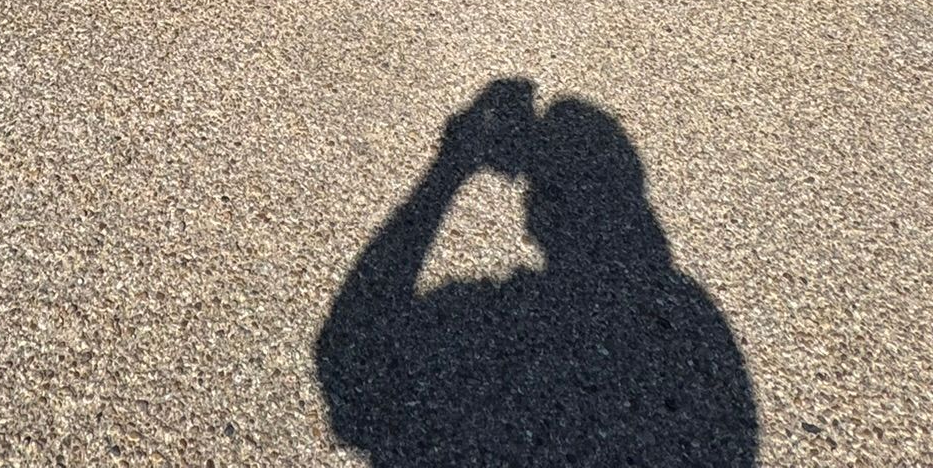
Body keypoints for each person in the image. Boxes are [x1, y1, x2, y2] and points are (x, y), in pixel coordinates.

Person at [317, 79, 757, 467]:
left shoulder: (512, 322)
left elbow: (351, 347)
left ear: (540, 215)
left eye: (538, 190)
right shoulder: (684, 315)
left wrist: (450, 169)